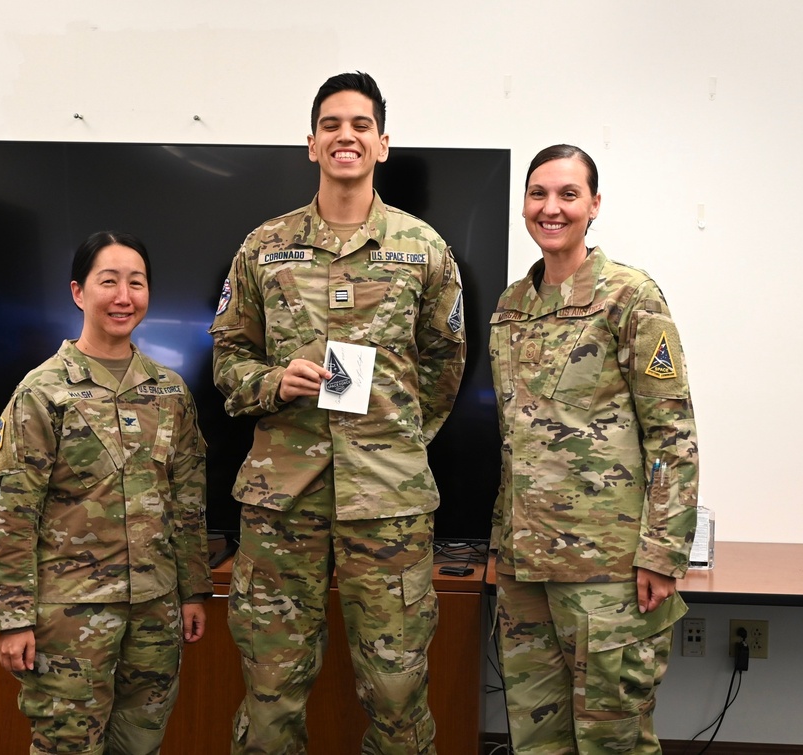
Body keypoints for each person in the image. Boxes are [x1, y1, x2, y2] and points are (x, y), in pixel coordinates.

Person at [210, 71, 466, 754]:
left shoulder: (425, 249)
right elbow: (227, 362)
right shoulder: (264, 246)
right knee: (269, 698)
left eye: (360, 125)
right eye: (331, 124)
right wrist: (273, 382)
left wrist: (394, 441)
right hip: (280, 505)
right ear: (311, 143)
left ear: (383, 143)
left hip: (388, 508)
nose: (345, 136)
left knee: (398, 695)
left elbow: (445, 368)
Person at [488, 144, 699, 754]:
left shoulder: (631, 299)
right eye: (537, 194)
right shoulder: (509, 308)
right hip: (525, 567)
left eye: (567, 195)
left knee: (614, 743)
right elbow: (514, 439)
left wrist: (661, 552)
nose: (550, 208)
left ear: (594, 206)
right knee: (537, 743)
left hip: (606, 573)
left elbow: (672, 434)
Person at [0, 231, 212, 755]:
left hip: (155, 612)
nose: (123, 296)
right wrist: (13, 617)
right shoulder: (42, 391)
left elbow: (188, 502)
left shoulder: (170, 391)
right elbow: (16, 515)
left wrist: (194, 591)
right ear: (79, 292)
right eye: (108, 281)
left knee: (141, 746)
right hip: (71, 617)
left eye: (136, 282)